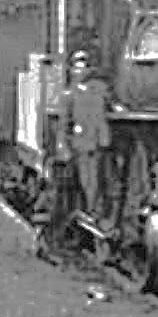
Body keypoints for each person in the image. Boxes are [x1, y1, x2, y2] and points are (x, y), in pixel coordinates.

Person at [56, 49, 111, 215]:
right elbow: (64, 122)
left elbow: (107, 105)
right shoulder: (69, 95)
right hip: (80, 143)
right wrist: (63, 145)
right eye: (77, 67)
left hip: (97, 141)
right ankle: (87, 209)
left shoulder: (99, 89)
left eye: (84, 67)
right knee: (84, 179)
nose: (81, 71)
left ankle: (94, 210)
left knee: (98, 178)